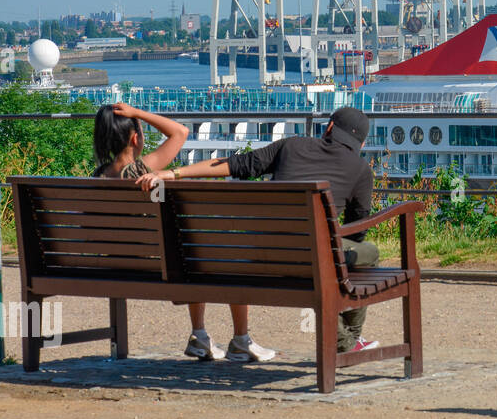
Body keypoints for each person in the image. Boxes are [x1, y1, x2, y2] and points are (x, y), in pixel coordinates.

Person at [137, 106, 380, 356]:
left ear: (329, 128)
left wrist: (174, 173)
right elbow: (356, 232)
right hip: (313, 262)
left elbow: (234, 164)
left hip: (260, 257)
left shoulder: (291, 146)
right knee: (368, 252)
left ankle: (347, 340)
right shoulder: (361, 170)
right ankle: (347, 340)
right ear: (359, 143)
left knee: (332, 258)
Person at [94, 102, 274, 363]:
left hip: (115, 266)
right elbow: (179, 132)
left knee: (186, 253)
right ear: (135, 138)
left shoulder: (97, 177)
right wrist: (139, 113)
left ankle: (200, 337)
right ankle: (240, 340)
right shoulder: (138, 172)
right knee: (216, 256)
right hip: (161, 268)